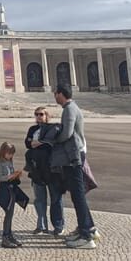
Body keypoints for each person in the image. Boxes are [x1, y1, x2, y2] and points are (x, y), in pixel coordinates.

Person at [50, 84, 99, 249]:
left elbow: (67, 133)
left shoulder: (70, 109)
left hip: (73, 157)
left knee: (78, 195)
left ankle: (86, 237)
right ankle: (88, 228)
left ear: (61, 94)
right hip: (75, 155)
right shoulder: (71, 108)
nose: (54, 97)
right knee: (78, 194)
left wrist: (53, 139)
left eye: (55, 94)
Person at [24, 107, 64, 235]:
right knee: (39, 199)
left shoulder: (53, 128)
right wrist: (40, 142)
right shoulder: (32, 129)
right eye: (36, 114)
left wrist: (38, 142)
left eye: (41, 114)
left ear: (47, 115)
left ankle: (59, 226)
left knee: (55, 198)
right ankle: (41, 225)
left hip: (51, 169)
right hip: (37, 169)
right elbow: (27, 143)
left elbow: (50, 143)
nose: (38, 116)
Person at [0, 142, 27, 248]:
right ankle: (5, 237)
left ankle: (9, 235)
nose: (10, 156)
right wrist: (10, 176)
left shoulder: (9, 161)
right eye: (9, 153)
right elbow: (0, 177)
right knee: (8, 214)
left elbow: (11, 174)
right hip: (5, 189)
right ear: (3, 152)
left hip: (12, 188)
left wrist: (16, 175)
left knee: (10, 214)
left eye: (12, 154)